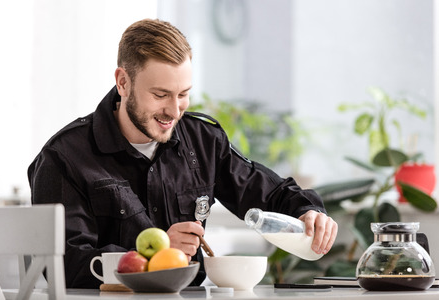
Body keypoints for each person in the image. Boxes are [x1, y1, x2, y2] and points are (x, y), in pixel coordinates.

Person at [28, 18, 338, 288]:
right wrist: (155, 252)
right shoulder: (64, 157)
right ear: (123, 82)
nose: (174, 111)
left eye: (183, 95)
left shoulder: (203, 141)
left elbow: (271, 195)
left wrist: (308, 213)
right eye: (160, 95)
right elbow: (65, 266)